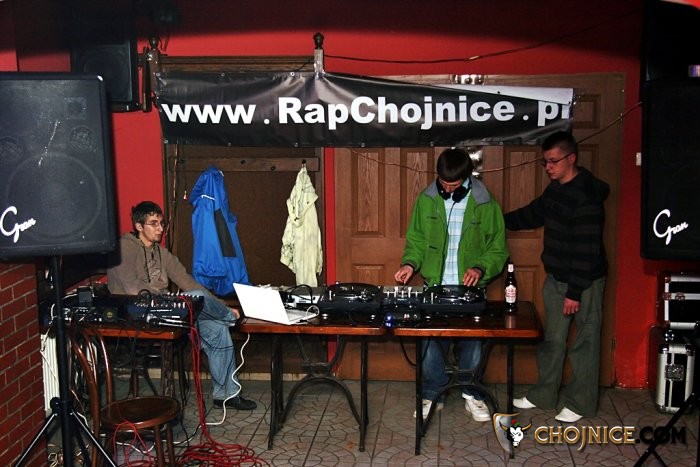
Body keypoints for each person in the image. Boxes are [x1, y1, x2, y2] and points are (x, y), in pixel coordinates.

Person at [107, 201, 257, 411]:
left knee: (216, 329)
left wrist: (220, 303)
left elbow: (188, 282)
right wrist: (167, 300)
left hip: (164, 310)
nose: (160, 228)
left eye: (161, 223)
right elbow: (132, 288)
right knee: (198, 300)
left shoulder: (161, 253)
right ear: (139, 226)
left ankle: (226, 395)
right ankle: (228, 317)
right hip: (136, 313)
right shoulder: (124, 247)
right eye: (154, 223)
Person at [394, 148, 509, 422]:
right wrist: (410, 264)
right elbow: (416, 240)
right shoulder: (426, 200)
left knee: (472, 341)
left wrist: (480, 268)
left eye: (453, 185)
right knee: (429, 339)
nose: (447, 189)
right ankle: (432, 392)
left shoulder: (485, 203)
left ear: (467, 178)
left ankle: (472, 393)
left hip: (470, 289)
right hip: (435, 285)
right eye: (443, 183)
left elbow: (498, 248)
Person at [504, 131, 608, 423]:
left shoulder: (586, 196)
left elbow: (587, 250)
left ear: (571, 158)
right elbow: (531, 214)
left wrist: (574, 292)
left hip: (584, 283)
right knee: (553, 340)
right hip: (556, 279)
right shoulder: (555, 190)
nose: (548, 167)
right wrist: (495, 221)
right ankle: (544, 394)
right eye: (545, 162)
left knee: (585, 343)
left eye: (553, 162)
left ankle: (580, 403)